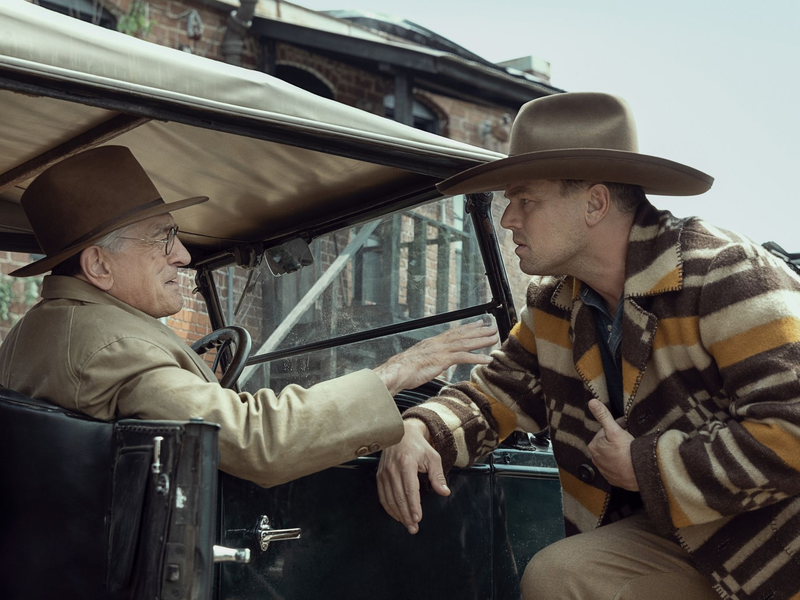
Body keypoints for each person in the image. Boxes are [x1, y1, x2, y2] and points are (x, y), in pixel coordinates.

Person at [376, 92, 800, 600]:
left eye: (526, 200)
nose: (509, 218)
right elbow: (492, 399)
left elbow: (792, 432)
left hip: (776, 548)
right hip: (680, 539)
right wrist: (419, 428)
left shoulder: (725, 273)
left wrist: (647, 465)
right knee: (560, 576)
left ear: (595, 203)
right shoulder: (556, 305)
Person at [0, 145, 499, 488]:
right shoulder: (112, 347)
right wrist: (395, 372)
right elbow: (257, 442)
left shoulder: (38, 332)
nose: (184, 257)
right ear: (98, 265)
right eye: (163, 238)